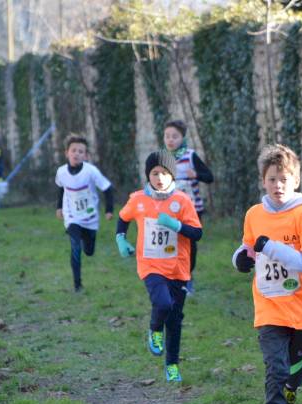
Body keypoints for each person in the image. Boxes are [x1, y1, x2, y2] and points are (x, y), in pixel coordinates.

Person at [232, 144, 302, 404]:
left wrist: (271, 247)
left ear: (296, 181)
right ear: (263, 181)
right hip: (269, 307)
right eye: (272, 179)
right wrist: (240, 260)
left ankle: (291, 388)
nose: (278, 185)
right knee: (276, 370)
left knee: (293, 374)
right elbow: (248, 248)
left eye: (284, 179)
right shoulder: (254, 214)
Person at [115, 150, 202, 382]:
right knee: (162, 303)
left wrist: (176, 225)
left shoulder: (182, 201)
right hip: (150, 265)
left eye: (164, 173)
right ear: (148, 175)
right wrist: (121, 239)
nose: (160, 178)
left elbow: (197, 233)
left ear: (172, 176)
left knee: (175, 320)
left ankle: (172, 365)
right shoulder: (138, 200)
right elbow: (123, 218)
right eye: (155, 173)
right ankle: (154, 329)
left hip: (178, 268)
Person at [55, 133, 114, 292]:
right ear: (66, 153)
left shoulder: (91, 171)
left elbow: (107, 188)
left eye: (81, 151)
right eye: (73, 150)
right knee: (75, 246)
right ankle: (77, 284)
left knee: (89, 251)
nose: (77, 154)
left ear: (86, 156)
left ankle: (86, 240)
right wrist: (59, 207)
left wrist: (109, 210)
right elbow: (61, 188)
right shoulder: (61, 172)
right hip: (72, 216)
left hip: (90, 217)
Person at [162, 120, 213, 294]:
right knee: (173, 243)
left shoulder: (191, 156)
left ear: (182, 138)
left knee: (190, 244)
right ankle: (173, 276)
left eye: (174, 136)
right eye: (167, 136)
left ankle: (188, 277)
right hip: (170, 210)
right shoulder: (163, 158)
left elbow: (209, 177)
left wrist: (196, 174)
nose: (170, 140)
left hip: (193, 210)